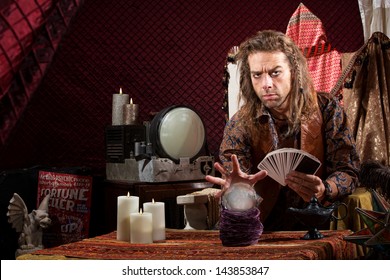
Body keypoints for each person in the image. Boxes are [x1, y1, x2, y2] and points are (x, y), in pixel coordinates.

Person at [206, 30, 360, 231]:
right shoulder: (240, 123)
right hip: (262, 228)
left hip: (318, 225)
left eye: (275, 72)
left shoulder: (326, 109)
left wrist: (325, 189)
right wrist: (236, 192)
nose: (267, 84)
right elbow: (235, 184)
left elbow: (349, 171)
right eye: (257, 75)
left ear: (294, 72)